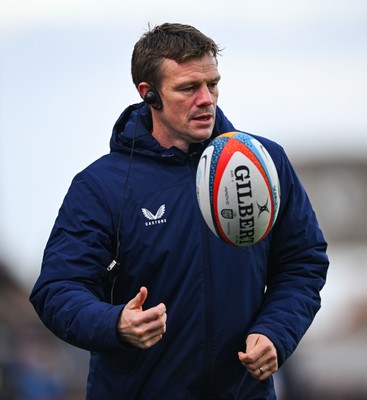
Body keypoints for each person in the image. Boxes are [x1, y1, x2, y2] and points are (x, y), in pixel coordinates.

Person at [30, 23, 329, 399]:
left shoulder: (264, 163)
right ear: (149, 94)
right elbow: (57, 290)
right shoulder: (100, 186)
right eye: (188, 88)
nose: (206, 99)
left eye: (213, 84)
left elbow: (303, 262)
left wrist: (275, 331)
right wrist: (115, 323)